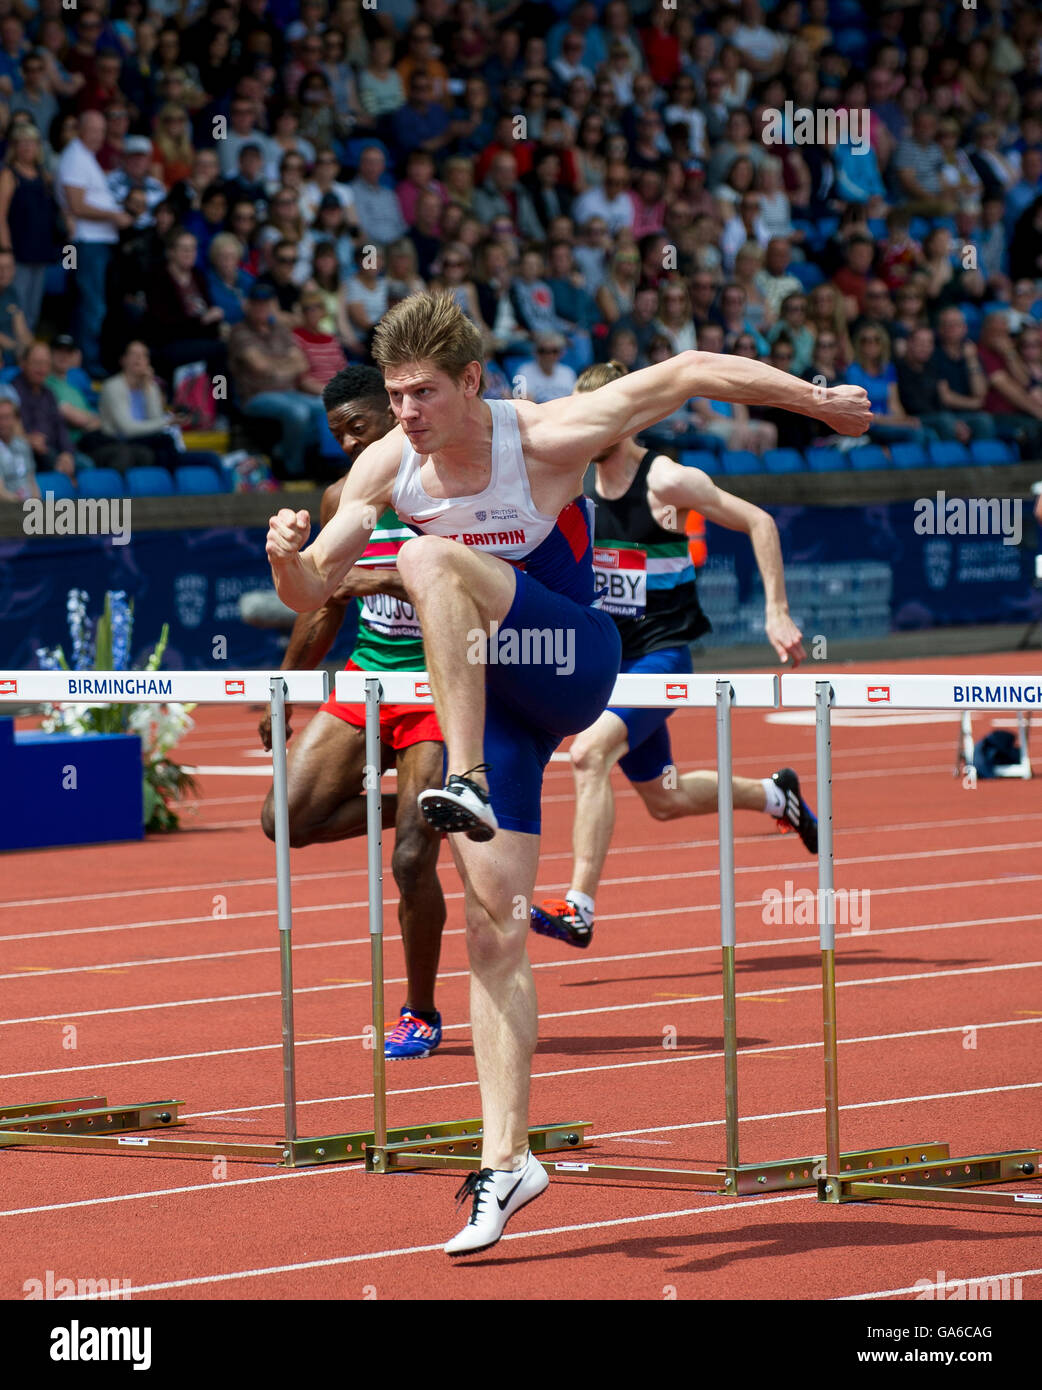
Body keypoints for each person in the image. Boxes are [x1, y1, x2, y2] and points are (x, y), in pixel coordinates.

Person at [264, 293, 871, 1256]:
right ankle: (507, 1163)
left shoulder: (546, 433)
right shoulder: (386, 463)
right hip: (496, 696)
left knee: (428, 558)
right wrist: (288, 557)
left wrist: (817, 400)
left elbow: (688, 371)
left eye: (424, 393)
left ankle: (459, 774)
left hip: (569, 653)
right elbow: (312, 591)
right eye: (395, 394)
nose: (407, 413)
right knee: (496, 922)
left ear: (471, 382)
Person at [530, 358, 816, 950]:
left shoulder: (665, 481)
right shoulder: (572, 484)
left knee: (588, 755)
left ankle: (579, 904)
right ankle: (775, 794)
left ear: (627, 419)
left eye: (599, 420)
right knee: (666, 797)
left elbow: (759, 521)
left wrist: (777, 610)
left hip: (662, 657)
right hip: (610, 664)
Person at [259, 365, 448, 1059]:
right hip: (370, 677)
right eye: (336, 433)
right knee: (285, 819)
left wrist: (387, 575)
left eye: (357, 429)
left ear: (395, 417)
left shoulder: (450, 488)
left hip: (438, 686)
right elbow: (322, 604)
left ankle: (420, 1012)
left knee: (408, 863)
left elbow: (483, 590)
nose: (345, 444)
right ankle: (428, 804)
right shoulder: (345, 496)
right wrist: (283, 689)